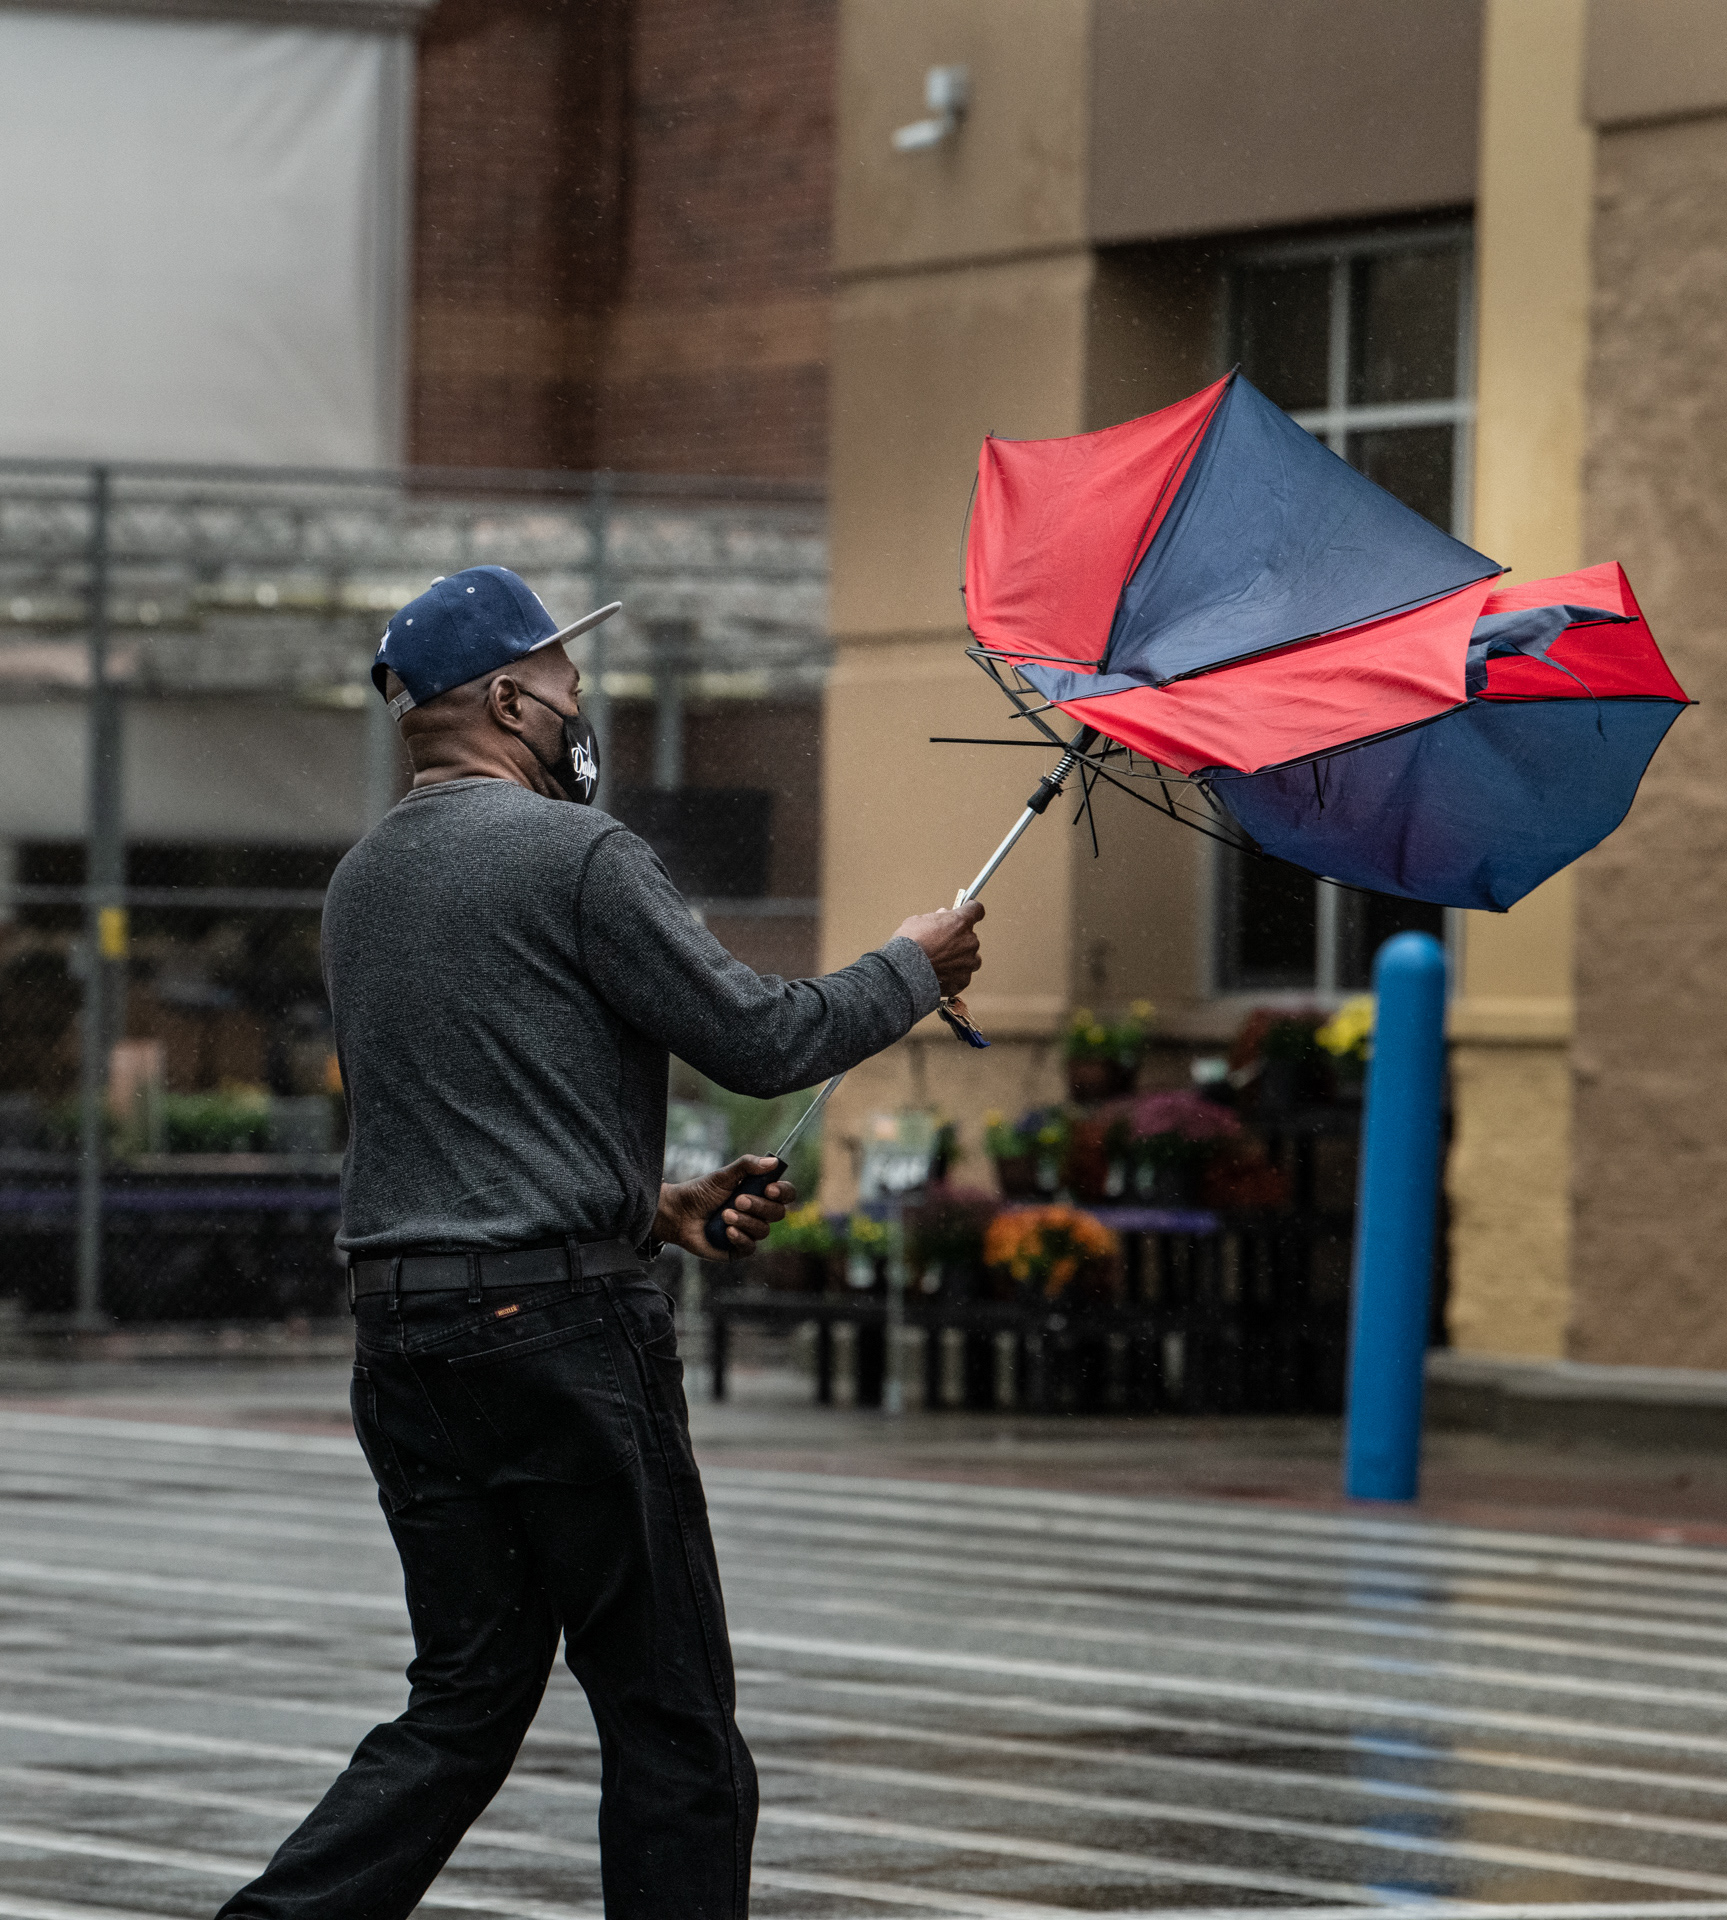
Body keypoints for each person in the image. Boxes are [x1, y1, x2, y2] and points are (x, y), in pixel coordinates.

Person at [214, 566, 984, 1920]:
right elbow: (766, 1038)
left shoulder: (361, 882)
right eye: (566, 680)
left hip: (407, 1340)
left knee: (460, 1707)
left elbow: (470, 1118)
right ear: (508, 699)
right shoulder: (578, 853)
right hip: (562, 1342)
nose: (583, 703)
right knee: (672, 1720)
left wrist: (659, 1206)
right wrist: (914, 966)